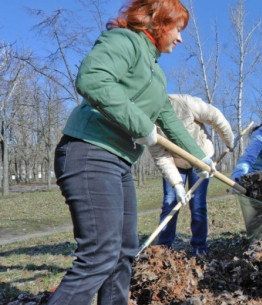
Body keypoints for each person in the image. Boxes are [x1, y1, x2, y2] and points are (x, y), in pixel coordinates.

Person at [47, 1, 215, 304]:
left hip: (120, 162)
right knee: (100, 254)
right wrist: (139, 123)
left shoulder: (156, 75)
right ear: (160, 23)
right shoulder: (124, 41)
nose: (180, 38)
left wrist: (199, 159)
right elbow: (92, 78)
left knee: (124, 253)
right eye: (177, 29)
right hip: (90, 152)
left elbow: (170, 122)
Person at [148, 94, 234, 256]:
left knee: (198, 204)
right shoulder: (148, 123)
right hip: (175, 164)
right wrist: (177, 184)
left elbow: (216, 117)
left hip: (200, 160)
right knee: (169, 202)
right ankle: (164, 248)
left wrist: (229, 141)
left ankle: (199, 247)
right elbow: (161, 157)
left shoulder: (185, 103)